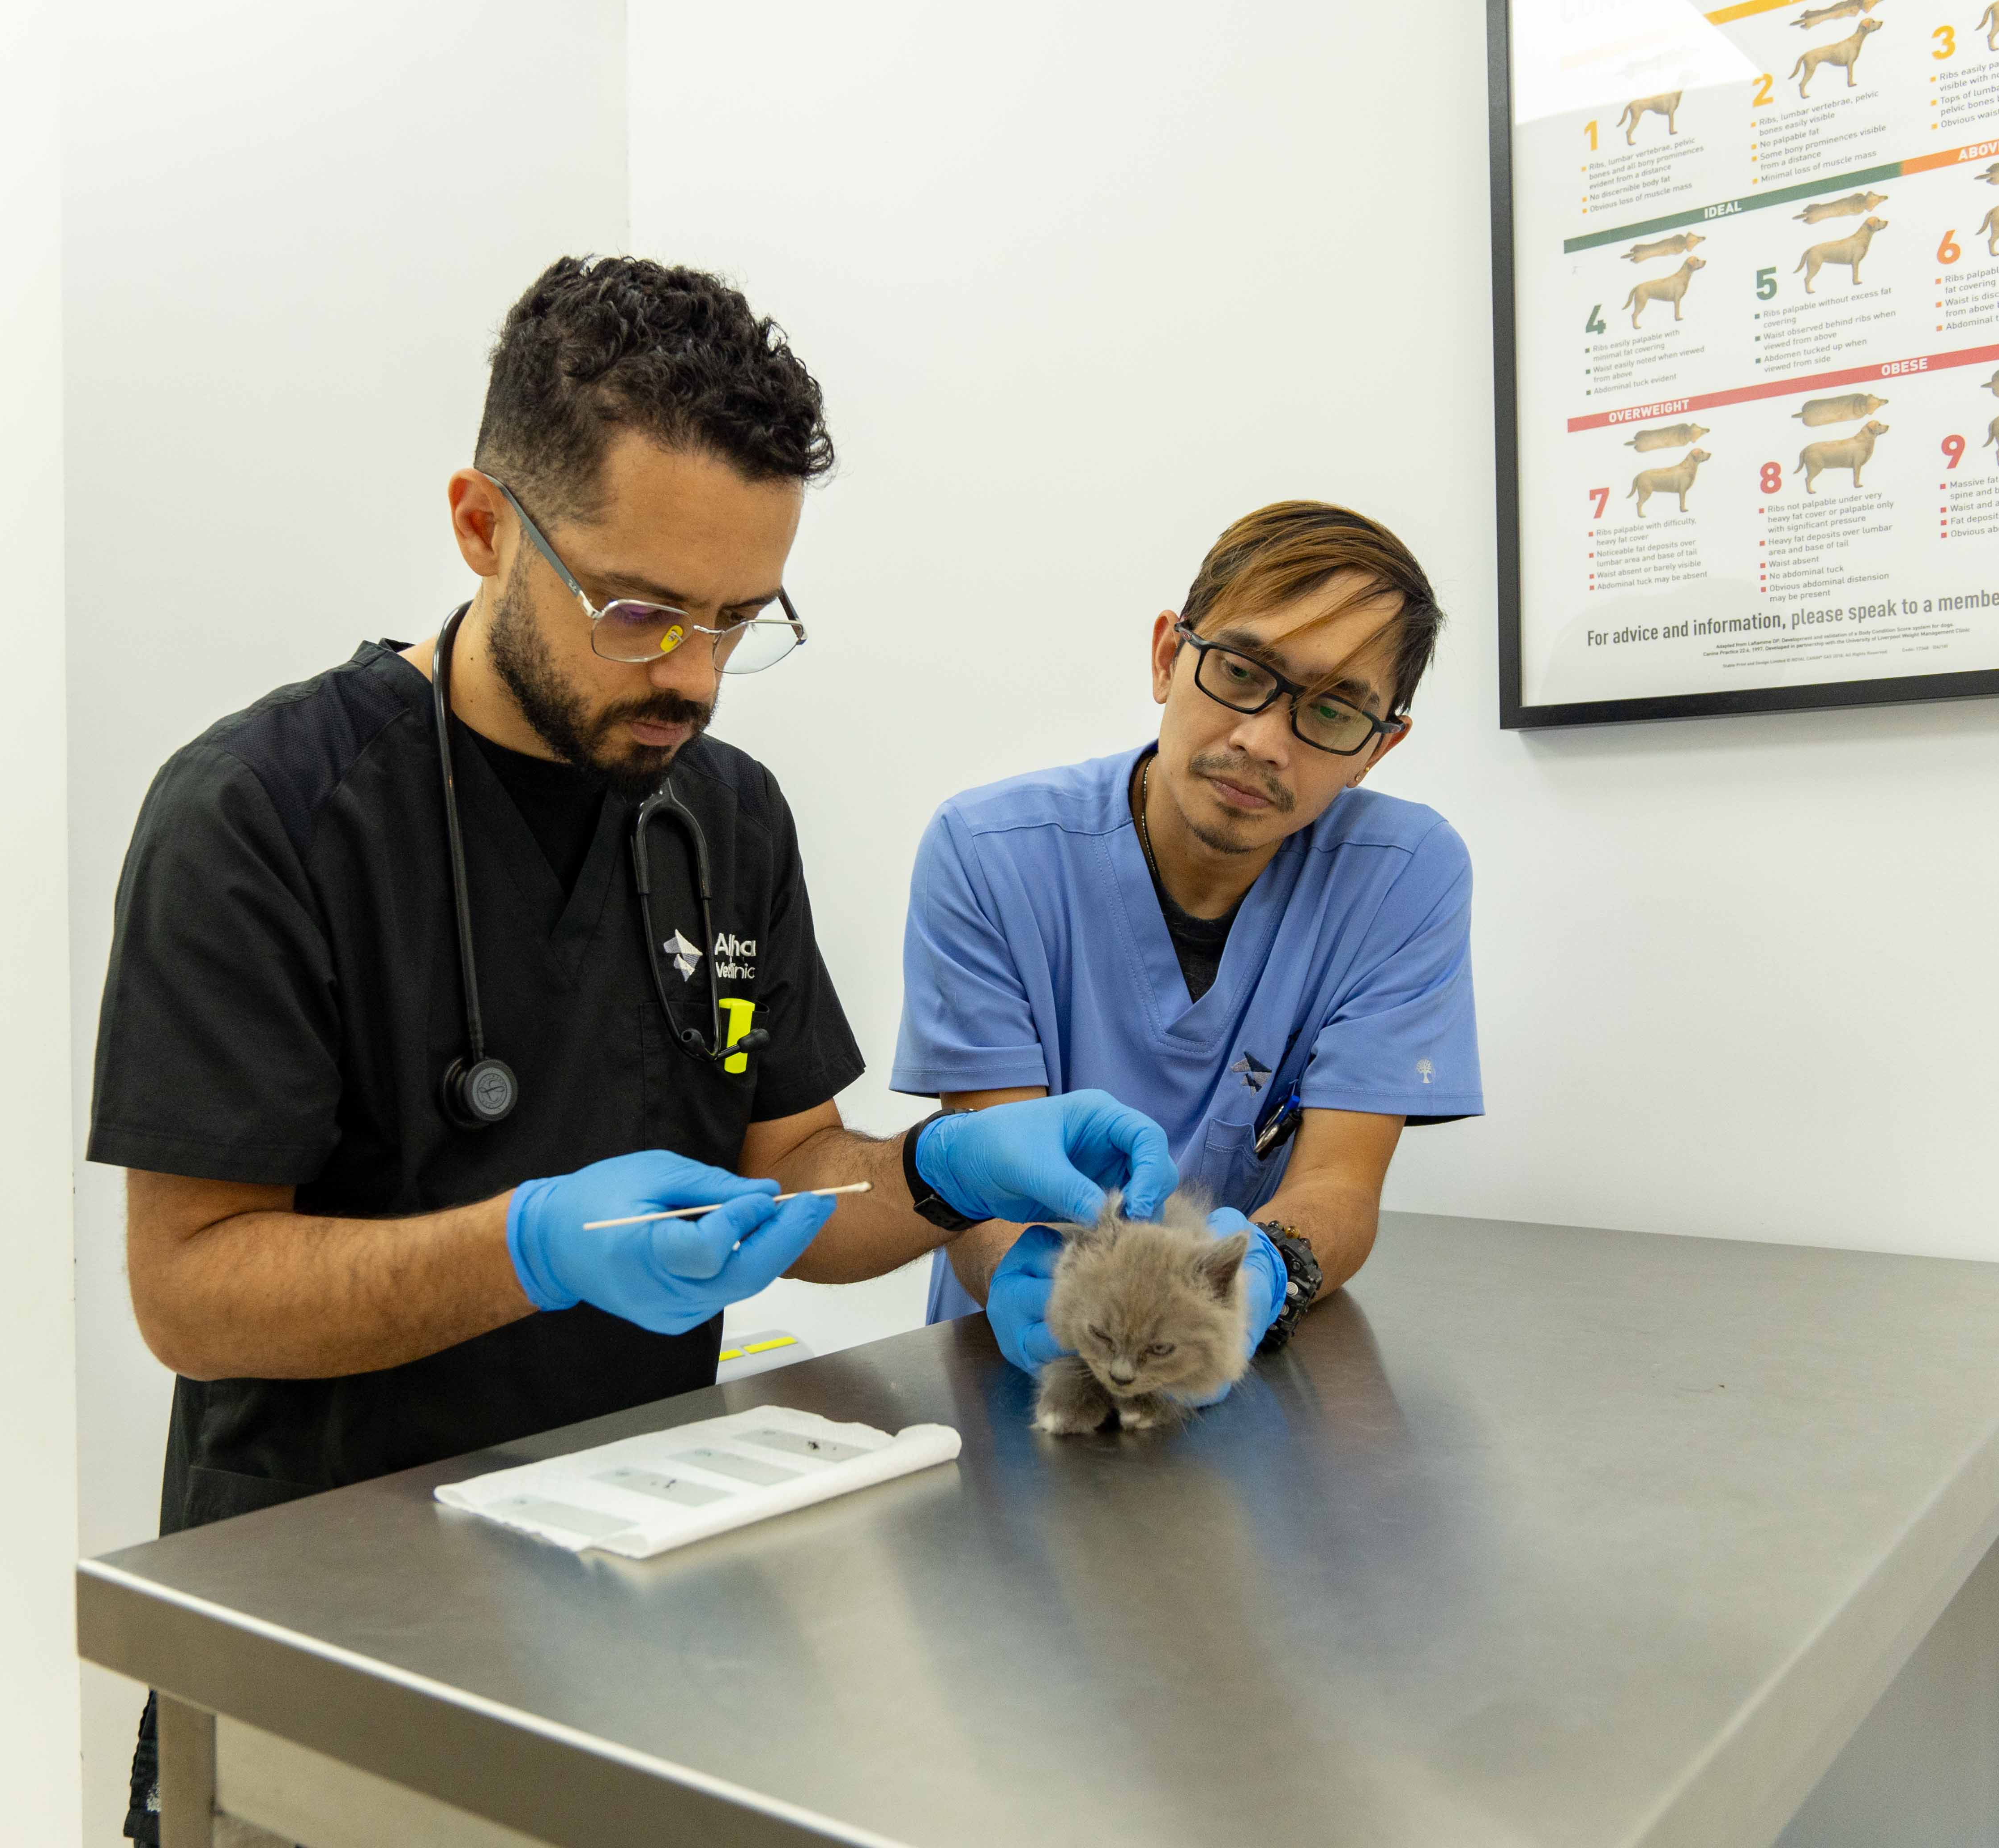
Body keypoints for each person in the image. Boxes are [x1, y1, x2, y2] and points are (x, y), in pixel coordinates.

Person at [87, 255, 1176, 1845]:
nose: (694, 674)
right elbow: (188, 1290)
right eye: (640, 608)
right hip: (326, 1610)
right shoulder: (263, 813)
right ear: (480, 524)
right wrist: (532, 1246)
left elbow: (796, 1169)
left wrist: (935, 1173)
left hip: (643, 1577)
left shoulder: (723, 810)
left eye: (742, 618)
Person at [893, 500, 1481, 1377]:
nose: (1263, 741)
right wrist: (1045, 1290)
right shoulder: (988, 855)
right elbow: (987, 1186)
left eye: (1332, 714)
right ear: (1170, 656)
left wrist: (1272, 1269)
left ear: (1378, 749)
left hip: (1231, 1364)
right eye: (1243, 672)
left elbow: (1341, 1182)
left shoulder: (1401, 876)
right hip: (1007, 1380)